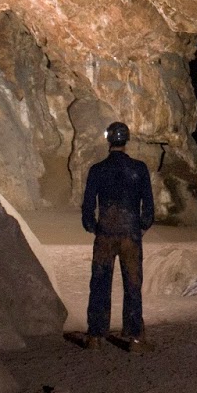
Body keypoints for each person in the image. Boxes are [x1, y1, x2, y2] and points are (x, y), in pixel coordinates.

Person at [81, 121, 154, 349]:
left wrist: (92, 226)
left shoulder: (97, 170)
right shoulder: (139, 169)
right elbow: (149, 205)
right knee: (132, 285)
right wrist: (142, 226)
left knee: (100, 283)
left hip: (106, 234)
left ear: (108, 139)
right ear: (126, 140)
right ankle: (134, 337)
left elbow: (87, 206)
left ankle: (96, 336)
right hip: (130, 234)